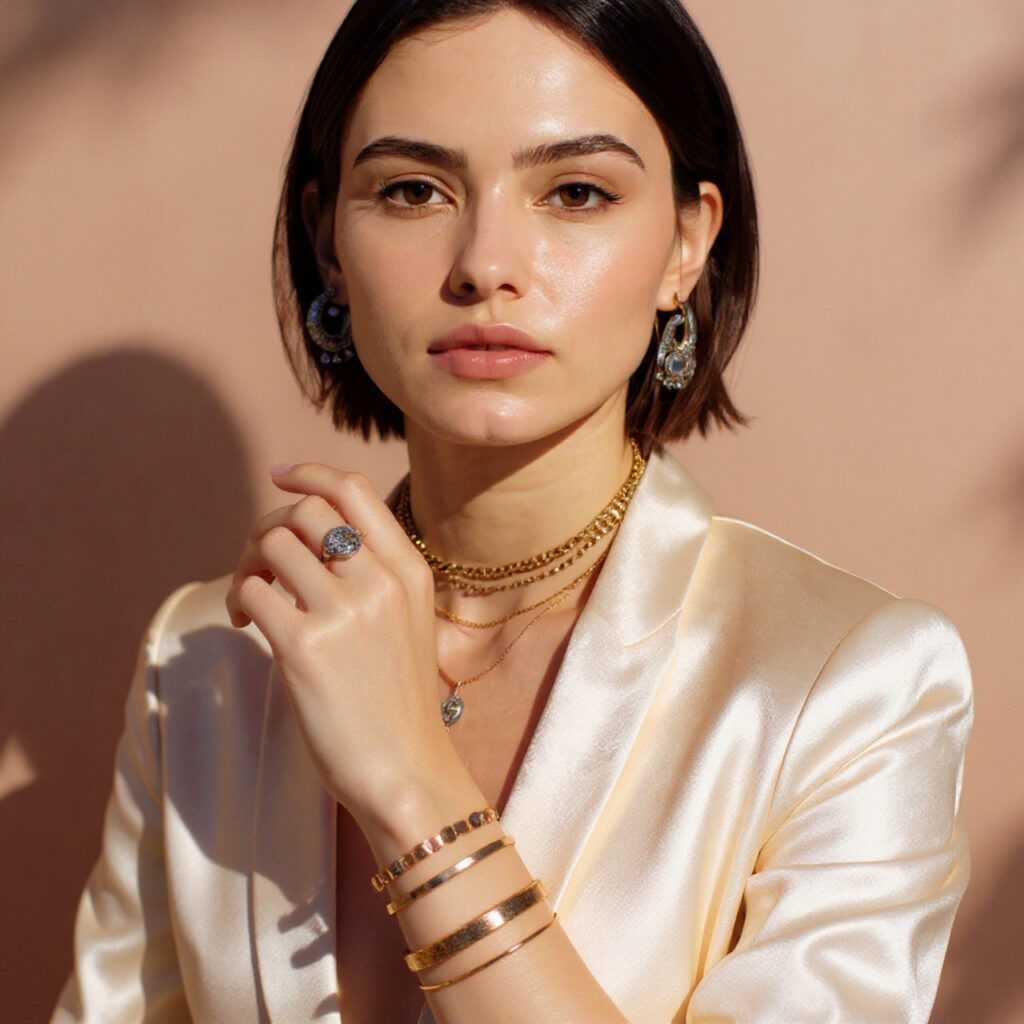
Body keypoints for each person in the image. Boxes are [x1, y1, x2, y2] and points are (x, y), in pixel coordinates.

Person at [52, 1, 972, 1021]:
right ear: (328, 246)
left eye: (575, 192)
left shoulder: (851, 684)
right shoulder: (208, 661)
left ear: (685, 243)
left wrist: (411, 785)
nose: (486, 262)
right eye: (411, 190)